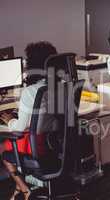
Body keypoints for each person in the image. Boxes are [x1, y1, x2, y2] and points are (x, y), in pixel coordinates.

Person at [0, 41, 57, 200]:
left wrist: (10, 119)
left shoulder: (30, 91)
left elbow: (19, 127)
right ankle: (19, 188)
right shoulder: (61, 86)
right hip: (55, 143)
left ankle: (25, 190)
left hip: (36, 146)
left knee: (4, 149)